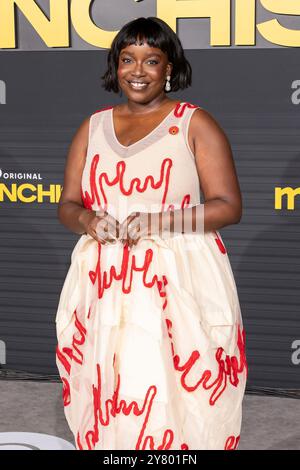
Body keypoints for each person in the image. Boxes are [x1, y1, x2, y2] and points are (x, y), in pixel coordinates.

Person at [55, 16, 248, 451]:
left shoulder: (194, 123)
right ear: (115, 66)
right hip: (105, 279)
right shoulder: (93, 127)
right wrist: (89, 221)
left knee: (177, 390)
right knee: (113, 382)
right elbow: (68, 205)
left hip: (177, 281)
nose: (138, 71)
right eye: (128, 59)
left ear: (170, 69)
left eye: (151, 60)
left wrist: (161, 221)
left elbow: (228, 206)